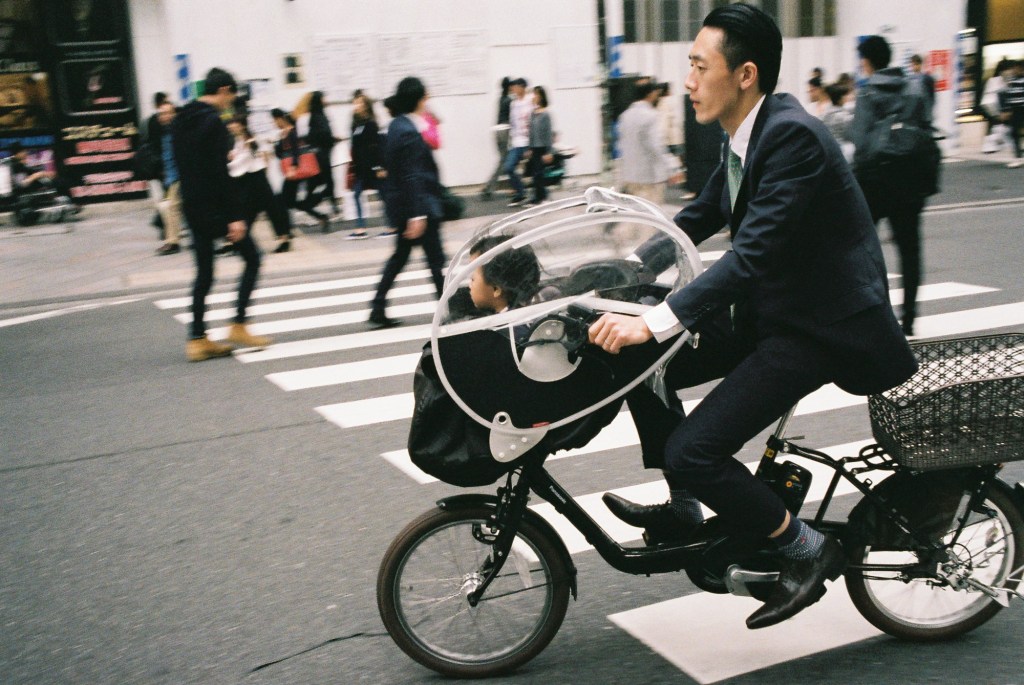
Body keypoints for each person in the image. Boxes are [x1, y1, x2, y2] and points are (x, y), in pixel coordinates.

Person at [587, 4, 917, 630]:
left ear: (744, 74)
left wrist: (657, 319)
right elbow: (698, 216)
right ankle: (686, 509)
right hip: (773, 312)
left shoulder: (792, 136)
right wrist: (621, 271)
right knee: (639, 362)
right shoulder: (744, 133)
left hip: (817, 327)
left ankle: (808, 550)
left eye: (698, 65)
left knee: (693, 449)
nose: (686, 80)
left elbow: (752, 255)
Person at [173, 67, 271, 361]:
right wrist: (235, 216)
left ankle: (197, 338)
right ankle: (238, 323)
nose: (232, 100)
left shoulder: (181, 118)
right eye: (232, 94)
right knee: (253, 258)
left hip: (190, 204)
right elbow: (220, 174)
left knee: (204, 271)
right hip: (215, 207)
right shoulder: (214, 123)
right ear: (225, 90)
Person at [849, 34, 931, 336]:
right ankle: (909, 318)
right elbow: (925, 128)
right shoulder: (915, 88)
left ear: (867, 61)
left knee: (865, 251)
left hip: (874, 182)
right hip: (910, 181)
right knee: (910, 250)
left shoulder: (868, 93)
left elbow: (859, 141)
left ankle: (876, 314)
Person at [369, 77, 447, 329]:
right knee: (435, 260)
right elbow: (412, 174)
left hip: (404, 205)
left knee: (401, 257)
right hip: (418, 206)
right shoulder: (409, 131)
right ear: (419, 99)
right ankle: (447, 310)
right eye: (426, 98)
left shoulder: (396, 125)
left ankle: (378, 306)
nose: (428, 102)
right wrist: (418, 214)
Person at [227, 114, 293, 253]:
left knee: (268, 210)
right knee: (251, 211)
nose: (230, 126)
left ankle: (283, 239)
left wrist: (229, 163)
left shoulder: (250, 139)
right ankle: (239, 241)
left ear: (241, 125)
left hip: (257, 179)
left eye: (233, 123)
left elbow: (245, 159)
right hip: (250, 179)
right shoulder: (239, 140)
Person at [271, 107, 330, 233]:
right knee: (290, 202)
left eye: (274, 121)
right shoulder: (284, 133)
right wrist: (277, 143)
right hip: (292, 172)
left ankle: (285, 230)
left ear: (280, 119)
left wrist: (293, 166)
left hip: (295, 171)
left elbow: (296, 151)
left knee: (282, 200)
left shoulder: (292, 132)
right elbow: (280, 155)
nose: (274, 124)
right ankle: (321, 217)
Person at [616, 81, 672, 206]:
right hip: (649, 176)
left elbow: (621, 145)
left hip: (629, 175)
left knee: (634, 214)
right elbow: (656, 146)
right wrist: (672, 167)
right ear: (651, 94)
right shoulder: (651, 116)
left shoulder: (625, 116)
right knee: (650, 216)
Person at [467, 236, 541, 313]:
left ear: (496, 289)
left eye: (473, 279)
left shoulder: (509, 323)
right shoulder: (525, 314)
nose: (470, 285)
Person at [347, 92, 385, 239]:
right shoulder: (355, 123)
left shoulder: (371, 123)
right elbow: (355, 146)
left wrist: (378, 167)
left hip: (372, 167)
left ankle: (391, 226)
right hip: (360, 168)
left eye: (360, 103)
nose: (356, 106)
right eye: (355, 102)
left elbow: (375, 147)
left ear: (366, 106)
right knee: (356, 194)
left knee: (383, 195)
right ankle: (360, 228)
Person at [154, 101, 185, 255]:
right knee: (171, 208)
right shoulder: (166, 131)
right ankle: (172, 240)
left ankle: (173, 242)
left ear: (174, 114)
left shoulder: (177, 131)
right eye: (161, 113)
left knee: (171, 208)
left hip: (178, 176)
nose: (164, 116)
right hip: (172, 176)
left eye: (167, 113)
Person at [306, 90, 342, 216]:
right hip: (322, 155)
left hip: (321, 153)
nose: (326, 100)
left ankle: (313, 204)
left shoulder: (316, 115)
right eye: (323, 98)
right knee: (327, 181)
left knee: (320, 181)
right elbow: (323, 134)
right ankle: (311, 204)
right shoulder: (318, 116)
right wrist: (332, 139)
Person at [480, 77, 513, 200]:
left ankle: (493, 187)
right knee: (505, 161)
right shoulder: (509, 100)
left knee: (504, 160)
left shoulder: (500, 99)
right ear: (509, 87)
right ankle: (489, 188)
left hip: (496, 131)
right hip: (504, 131)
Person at [503, 78, 533, 207]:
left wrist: (531, 144)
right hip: (516, 142)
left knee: (536, 170)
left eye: (515, 87)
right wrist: (512, 140)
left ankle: (540, 196)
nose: (513, 90)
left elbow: (534, 123)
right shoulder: (513, 104)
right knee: (508, 167)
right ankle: (521, 193)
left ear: (522, 87)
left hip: (528, 142)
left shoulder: (530, 101)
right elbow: (513, 123)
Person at [524, 85, 554, 206]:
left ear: (541, 97)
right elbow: (530, 132)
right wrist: (529, 148)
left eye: (536, 95)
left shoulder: (546, 114)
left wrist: (549, 152)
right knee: (535, 173)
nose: (534, 97)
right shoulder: (532, 113)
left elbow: (548, 133)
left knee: (539, 173)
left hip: (542, 147)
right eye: (533, 94)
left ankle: (540, 197)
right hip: (534, 147)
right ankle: (540, 196)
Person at [820, 82, 854, 163]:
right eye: (846, 95)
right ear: (841, 98)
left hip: (829, 151)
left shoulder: (825, 114)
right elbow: (851, 134)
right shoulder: (844, 117)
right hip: (845, 152)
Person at [999, 60, 1024, 169]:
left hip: (1022, 108)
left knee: (1015, 133)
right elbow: (1007, 94)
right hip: (1015, 110)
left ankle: (1018, 157)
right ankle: (1018, 157)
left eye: (1017, 68)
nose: (1014, 70)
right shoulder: (1012, 80)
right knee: (1014, 133)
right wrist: (1006, 110)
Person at [907, 54, 936, 126]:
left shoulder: (927, 79)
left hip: (924, 115)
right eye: (913, 64)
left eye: (916, 64)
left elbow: (932, 97)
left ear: (920, 64)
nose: (914, 66)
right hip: (916, 116)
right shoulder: (909, 80)